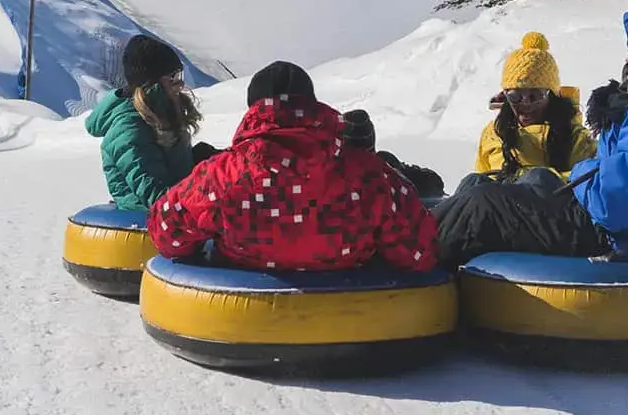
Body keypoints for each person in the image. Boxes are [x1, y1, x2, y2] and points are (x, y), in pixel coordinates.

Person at [435, 0, 628, 263]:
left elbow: (612, 207)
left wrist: (582, 171)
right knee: (537, 180)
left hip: (623, 236)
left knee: (484, 205)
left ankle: (414, 252)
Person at [149, 62, 439, 273]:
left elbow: (166, 233)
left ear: (253, 110)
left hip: (247, 317)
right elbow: (418, 250)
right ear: (312, 106)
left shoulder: (222, 175)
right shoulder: (368, 173)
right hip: (354, 316)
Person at [86, 34, 207, 211]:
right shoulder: (128, 129)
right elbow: (157, 196)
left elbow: (173, 170)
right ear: (152, 84)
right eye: (172, 76)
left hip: (172, 216)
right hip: (149, 224)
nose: (180, 83)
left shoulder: (157, 116)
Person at [475, 31, 597, 181]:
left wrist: (536, 179)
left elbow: (585, 184)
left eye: (536, 95)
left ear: (552, 96)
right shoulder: (493, 134)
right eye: (515, 96)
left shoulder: (577, 140)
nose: (526, 103)